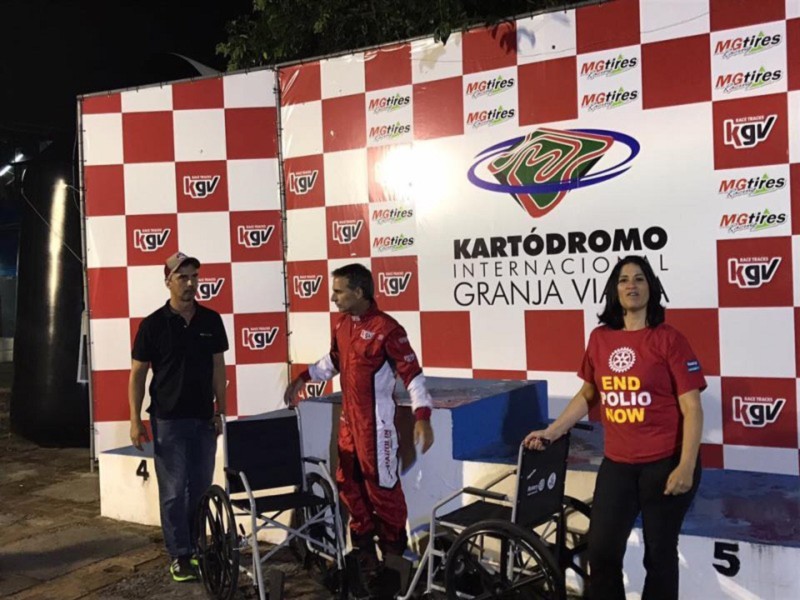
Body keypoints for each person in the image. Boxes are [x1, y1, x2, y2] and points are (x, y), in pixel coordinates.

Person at [524, 255, 704, 600]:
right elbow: (588, 394)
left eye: (639, 278)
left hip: (665, 463)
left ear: (651, 288)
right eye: (624, 280)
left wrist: (686, 465)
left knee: (659, 556)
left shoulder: (669, 339)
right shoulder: (600, 339)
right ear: (615, 290)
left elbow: (692, 407)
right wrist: (553, 430)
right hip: (618, 465)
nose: (631, 285)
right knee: (602, 553)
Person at [284, 263, 434, 578]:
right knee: (348, 484)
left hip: (377, 428)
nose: (333, 298)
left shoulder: (388, 329)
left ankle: (394, 561)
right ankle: (365, 555)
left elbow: (413, 376)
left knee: (383, 490)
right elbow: (334, 361)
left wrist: (423, 417)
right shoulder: (342, 324)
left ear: (359, 292)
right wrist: (302, 377)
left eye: (339, 292)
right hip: (348, 424)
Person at [129, 251, 228, 583]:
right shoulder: (153, 325)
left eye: (194, 276)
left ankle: (197, 547)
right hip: (168, 421)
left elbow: (218, 368)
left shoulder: (211, 320)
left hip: (203, 419)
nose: (190, 283)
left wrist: (221, 410)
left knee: (200, 489)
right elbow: (137, 375)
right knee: (173, 493)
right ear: (168, 281)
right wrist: (134, 420)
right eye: (182, 277)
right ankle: (180, 555)